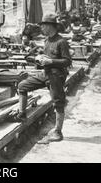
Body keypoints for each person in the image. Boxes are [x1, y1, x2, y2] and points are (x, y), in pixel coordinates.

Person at [10, 13, 72, 143]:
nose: (42, 29)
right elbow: (45, 58)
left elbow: (67, 61)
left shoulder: (61, 42)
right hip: (45, 73)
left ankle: (58, 132)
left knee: (58, 102)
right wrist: (38, 59)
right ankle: (22, 114)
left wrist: (51, 62)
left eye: (44, 26)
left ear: (51, 26)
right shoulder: (47, 41)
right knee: (22, 86)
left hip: (56, 75)